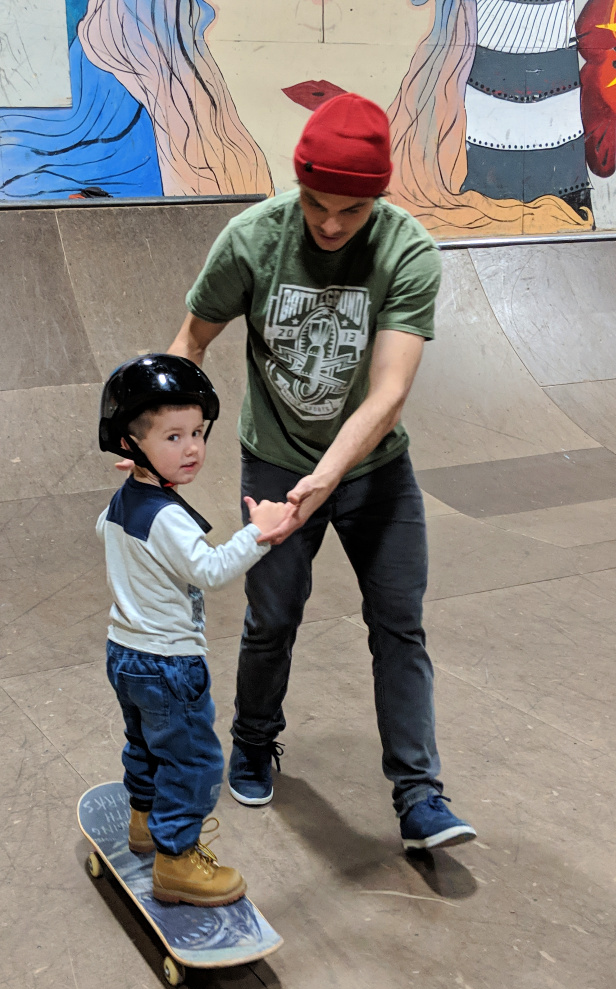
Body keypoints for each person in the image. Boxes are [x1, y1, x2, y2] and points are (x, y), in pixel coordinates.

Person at [167, 92, 476, 851]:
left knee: (399, 624)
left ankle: (420, 795)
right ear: (297, 184)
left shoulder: (407, 250)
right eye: (316, 203)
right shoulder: (252, 240)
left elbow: (390, 391)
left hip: (374, 470)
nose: (331, 223)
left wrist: (331, 474)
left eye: (351, 209)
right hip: (273, 459)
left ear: (379, 197)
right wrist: (155, 446)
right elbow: (189, 343)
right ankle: (253, 738)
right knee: (272, 618)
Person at [97, 354, 292, 905]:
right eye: (173, 436)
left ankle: (142, 824)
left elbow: (103, 529)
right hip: (170, 665)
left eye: (198, 433)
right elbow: (210, 570)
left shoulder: (123, 502)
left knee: (145, 743)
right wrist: (261, 533)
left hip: (124, 653)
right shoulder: (169, 516)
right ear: (132, 446)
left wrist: (137, 483)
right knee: (194, 761)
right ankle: (177, 862)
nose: (192, 449)